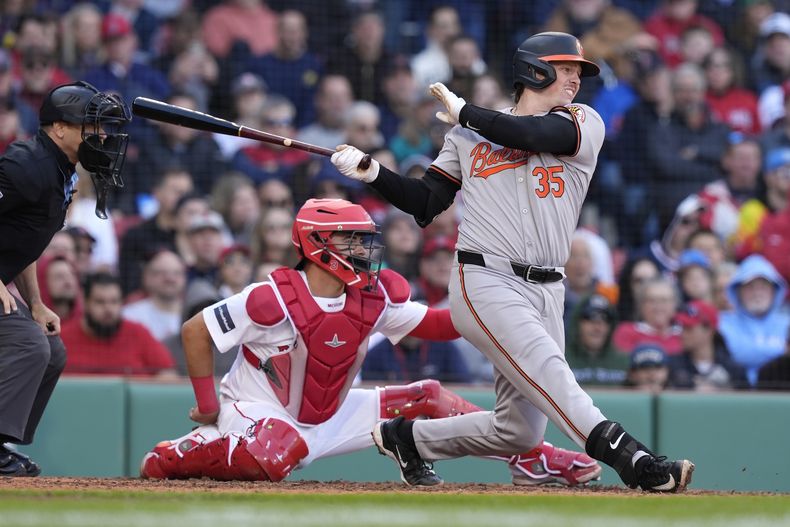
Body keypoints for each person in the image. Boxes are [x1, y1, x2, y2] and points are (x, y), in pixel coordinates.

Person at [330, 32, 693, 492]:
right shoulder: (465, 135)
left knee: (519, 431)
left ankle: (408, 438)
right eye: (564, 69)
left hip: (548, 288)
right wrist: (373, 173)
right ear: (533, 70)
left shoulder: (583, 121)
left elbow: (530, 132)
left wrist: (466, 113)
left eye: (577, 71)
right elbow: (426, 203)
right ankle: (635, 460)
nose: (574, 79)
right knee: (552, 374)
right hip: (484, 279)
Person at [139, 199, 600, 486]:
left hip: (333, 415)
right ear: (318, 243)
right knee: (278, 453)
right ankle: (180, 452)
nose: (363, 251)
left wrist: (488, 298)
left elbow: (441, 325)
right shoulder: (270, 298)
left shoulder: (370, 298)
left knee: (429, 397)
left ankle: (533, 458)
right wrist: (207, 405)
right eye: (352, 241)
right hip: (260, 414)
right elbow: (195, 330)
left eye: (364, 241)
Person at [0, 81, 130, 476]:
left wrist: (35, 303)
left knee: (51, 350)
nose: (103, 136)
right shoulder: (27, 165)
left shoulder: (61, 171)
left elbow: (22, 243)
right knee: (29, 346)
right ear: (59, 128)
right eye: (92, 127)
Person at [61, 273, 177, 377]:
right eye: (100, 302)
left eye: (114, 301)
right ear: (85, 303)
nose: (108, 309)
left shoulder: (137, 333)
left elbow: (168, 374)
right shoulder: (63, 339)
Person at [719, 255, 790, 386]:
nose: (757, 293)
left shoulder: (787, 323)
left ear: (775, 291)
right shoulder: (723, 322)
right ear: (737, 291)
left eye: (763, 287)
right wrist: (781, 352)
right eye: (750, 287)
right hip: (737, 395)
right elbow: (736, 354)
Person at [668, 300, 748, 391]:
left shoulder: (733, 368)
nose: (682, 333)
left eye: (688, 328)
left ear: (709, 330)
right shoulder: (672, 364)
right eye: (682, 328)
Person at [565, 293, 629, 387]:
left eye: (605, 320)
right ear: (577, 323)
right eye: (591, 319)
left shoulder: (624, 362)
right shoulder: (562, 359)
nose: (598, 328)